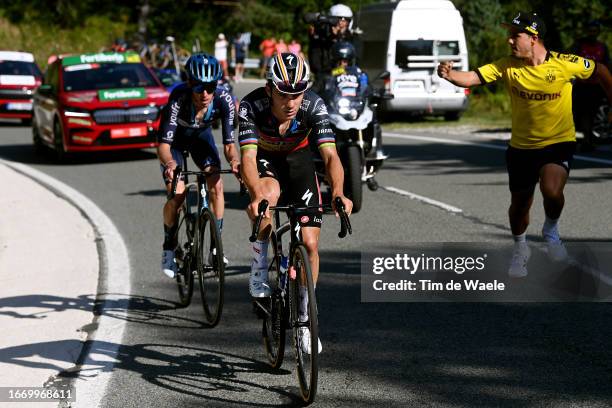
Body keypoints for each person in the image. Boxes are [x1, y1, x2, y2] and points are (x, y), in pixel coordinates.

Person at [437, 11, 612, 278]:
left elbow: (600, 71)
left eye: (514, 35)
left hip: (558, 142)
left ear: (533, 38)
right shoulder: (507, 66)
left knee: (552, 191)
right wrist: (450, 75)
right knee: (520, 204)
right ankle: (521, 248)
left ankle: (551, 231)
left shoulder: (565, 63)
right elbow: (472, 77)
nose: (509, 41)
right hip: (521, 148)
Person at [239, 53, 353, 353]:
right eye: (283, 94)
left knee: (311, 244)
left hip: (299, 164)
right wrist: (254, 194)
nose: (291, 102)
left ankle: (304, 317)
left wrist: (339, 191)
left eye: (297, 93)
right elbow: (247, 158)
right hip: (265, 161)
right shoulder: (250, 106)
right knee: (267, 197)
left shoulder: (314, 105)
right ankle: (260, 269)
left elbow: (330, 156)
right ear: (269, 89)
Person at [158, 53, 240, 278]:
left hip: (200, 139)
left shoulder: (224, 99)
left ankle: (216, 247)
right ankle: (168, 246)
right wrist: (171, 163)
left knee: (217, 184)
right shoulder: (178, 97)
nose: (204, 94)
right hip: (174, 143)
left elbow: (229, 145)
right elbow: (164, 145)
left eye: (210, 87)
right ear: (189, 83)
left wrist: (235, 161)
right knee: (178, 194)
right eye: (198, 87)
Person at [571, 20, 610, 151]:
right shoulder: (579, 45)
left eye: (595, 30)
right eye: (590, 30)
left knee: (592, 114)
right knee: (582, 113)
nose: (592, 33)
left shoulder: (602, 47)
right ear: (586, 31)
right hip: (581, 85)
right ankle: (584, 139)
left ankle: (588, 139)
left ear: (598, 32)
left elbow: (607, 66)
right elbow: (569, 61)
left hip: (596, 86)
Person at [307, 3, 356, 93]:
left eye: (345, 20)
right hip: (325, 77)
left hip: (346, 78)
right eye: (338, 19)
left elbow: (350, 64)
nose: (341, 23)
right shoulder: (321, 37)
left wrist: (339, 37)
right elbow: (317, 65)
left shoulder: (350, 38)